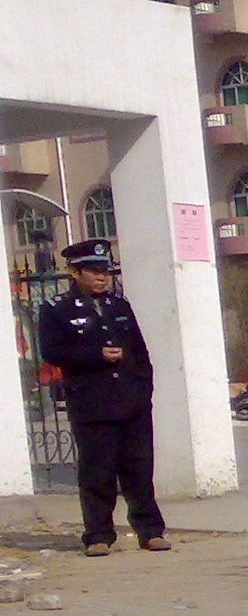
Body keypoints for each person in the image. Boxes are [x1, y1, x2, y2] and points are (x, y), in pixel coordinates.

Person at [34, 238, 169, 556]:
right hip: (92, 403)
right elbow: (52, 352)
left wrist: (144, 390)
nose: (101, 277)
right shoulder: (57, 309)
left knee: (139, 470)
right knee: (98, 472)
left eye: (104, 272)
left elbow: (139, 351)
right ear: (75, 273)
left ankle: (150, 531)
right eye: (93, 271)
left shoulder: (119, 306)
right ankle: (98, 534)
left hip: (131, 402)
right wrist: (95, 355)